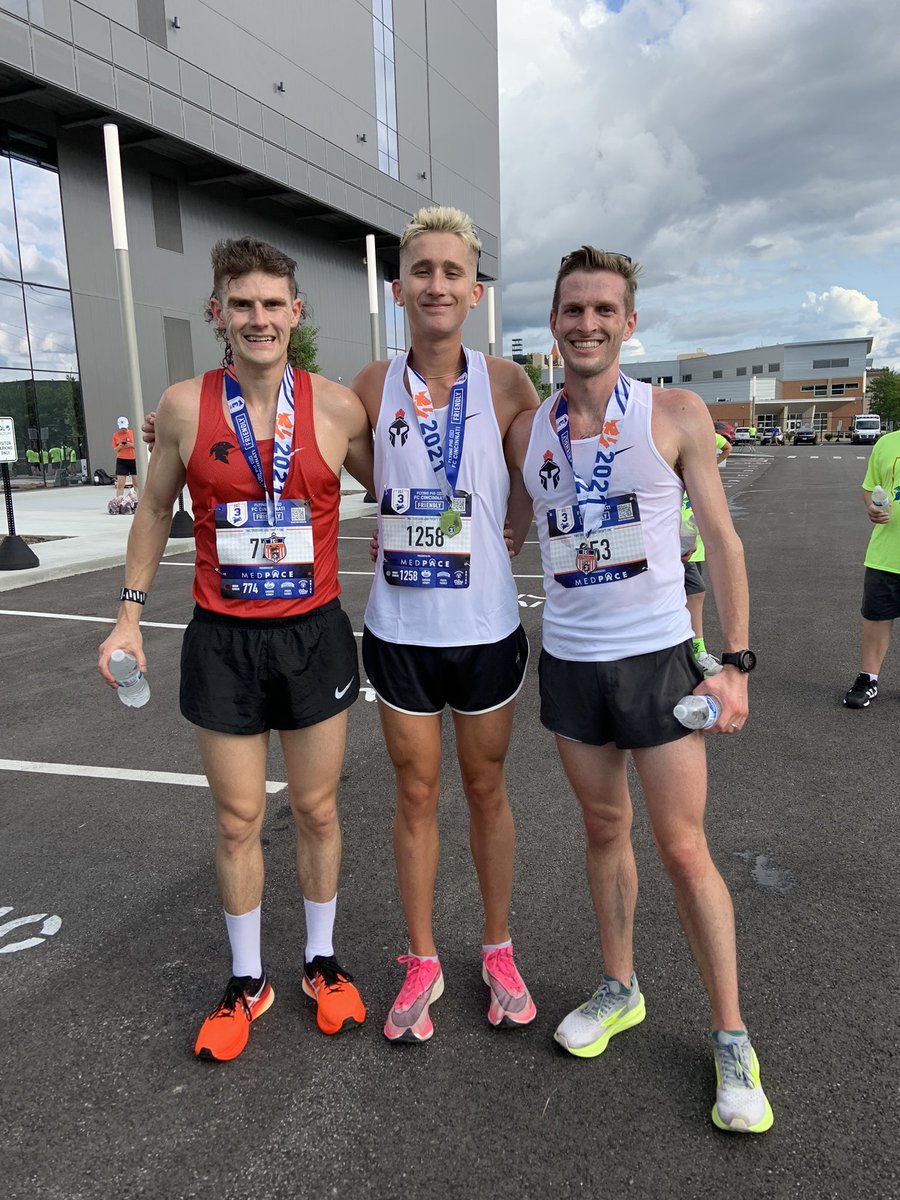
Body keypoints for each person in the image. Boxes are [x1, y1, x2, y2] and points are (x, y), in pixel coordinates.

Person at [504, 246, 773, 1133]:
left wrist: (735, 661)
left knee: (683, 848)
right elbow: (497, 517)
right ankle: (621, 987)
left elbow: (725, 546)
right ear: (553, 321)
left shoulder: (675, 413)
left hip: (659, 659)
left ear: (628, 322)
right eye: (572, 309)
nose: (587, 323)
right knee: (603, 830)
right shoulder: (529, 430)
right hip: (573, 664)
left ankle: (732, 1036)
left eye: (603, 310)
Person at [98, 236, 373, 1062]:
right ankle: (247, 981)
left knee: (319, 809)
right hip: (223, 639)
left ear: (298, 312)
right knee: (237, 820)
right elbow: (152, 509)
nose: (258, 318)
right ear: (219, 313)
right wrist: (126, 616)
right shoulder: (184, 406)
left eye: (272, 304)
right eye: (241, 304)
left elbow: (402, 485)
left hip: (314, 634)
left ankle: (321, 963)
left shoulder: (336, 407)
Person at [351, 206, 540, 1042]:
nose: (436, 283)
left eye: (451, 271)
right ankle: (422, 957)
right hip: (400, 630)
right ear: (399, 289)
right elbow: (361, 465)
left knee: (486, 787)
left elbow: (535, 472)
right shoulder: (367, 384)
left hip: (484, 624)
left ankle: (497, 946)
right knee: (416, 793)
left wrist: (512, 533)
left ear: (475, 291)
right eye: (421, 270)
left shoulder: (508, 384)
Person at [843, 428, 900, 708]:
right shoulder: (887, 443)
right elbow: (870, 487)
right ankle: (868, 678)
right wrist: (871, 508)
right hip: (887, 552)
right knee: (876, 617)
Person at [683, 431, 731, 676]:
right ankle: (696, 651)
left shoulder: (700, 473)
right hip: (676, 543)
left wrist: (711, 464)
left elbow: (727, 447)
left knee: (689, 596)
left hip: (694, 544)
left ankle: (692, 651)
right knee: (695, 592)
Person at [111, 417, 138, 499]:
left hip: (133, 459)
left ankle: (138, 500)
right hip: (122, 460)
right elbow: (115, 449)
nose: (123, 430)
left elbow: (139, 445)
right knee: (120, 484)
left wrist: (131, 445)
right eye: (122, 428)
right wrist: (120, 446)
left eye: (125, 428)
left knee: (136, 483)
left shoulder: (133, 433)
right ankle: (119, 501)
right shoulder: (115, 435)